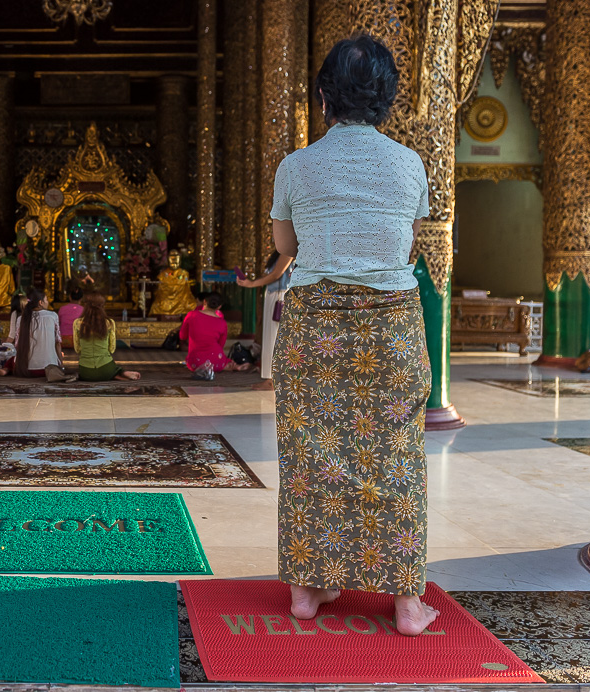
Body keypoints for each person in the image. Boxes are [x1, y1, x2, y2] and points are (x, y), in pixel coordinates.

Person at [271, 35, 435, 635]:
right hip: (391, 323)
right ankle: (407, 604)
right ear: (387, 99)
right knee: (396, 455)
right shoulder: (409, 164)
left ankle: (309, 589)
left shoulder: (296, 165)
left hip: (315, 322)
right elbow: (405, 243)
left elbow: (287, 250)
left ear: (323, 98)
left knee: (313, 450)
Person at [238, 251, 296, 382]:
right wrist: (249, 280)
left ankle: (272, 380)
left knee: (274, 337)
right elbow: (270, 274)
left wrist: (251, 284)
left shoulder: (289, 250)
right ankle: (269, 378)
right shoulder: (278, 253)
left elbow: (276, 274)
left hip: (280, 295)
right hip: (273, 293)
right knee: (270, 337)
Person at [73, 292, 140, 381]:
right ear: (102, 306)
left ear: (85, 306)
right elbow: (112, 349)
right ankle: (119, 373)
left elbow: (77, 349)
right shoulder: (109, 323)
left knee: (89, 372)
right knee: (110, 367)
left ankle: (118, 374)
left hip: (86, 372)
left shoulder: (77, 323)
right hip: (105, 368)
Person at [178, 292, 251, 374]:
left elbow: (182, 336)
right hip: (217, 360)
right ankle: (232, 366)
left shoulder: (192, 315)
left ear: (204, 302)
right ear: (219, 307)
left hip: (195, 363)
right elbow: (221, 345)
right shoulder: (222, 323)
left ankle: (219, 366)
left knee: (196, 360)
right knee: (220, 359)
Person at [14, 288, 70, 379]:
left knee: (8, 361)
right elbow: (58, 344)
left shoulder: (21, 319)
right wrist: (62, 367)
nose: (48, 302)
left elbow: (17, 345)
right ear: (40, 303)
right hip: (49, 371)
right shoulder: (52, 316)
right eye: (46, 300)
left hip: (26, 370)